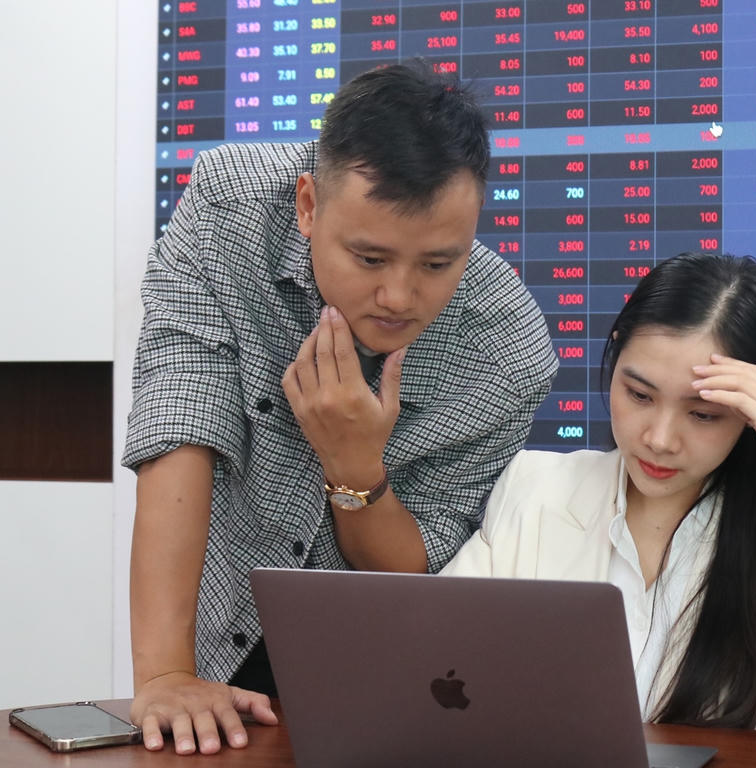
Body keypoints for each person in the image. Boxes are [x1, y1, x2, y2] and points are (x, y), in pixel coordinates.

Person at [123, 60, 556, 755]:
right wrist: (165, 674)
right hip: (213, 638)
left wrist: (354, 466)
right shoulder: (227, 212)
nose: (399, 297)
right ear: (308, 205)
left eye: (438, 264)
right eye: (370, 258)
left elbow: (418, 570)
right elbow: (181, 422)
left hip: (389, 680)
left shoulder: (505, 350)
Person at [443, 252, 756, 747]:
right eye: (639, 395)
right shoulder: (536, 486)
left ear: (755, 415)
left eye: (703, 415)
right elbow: (435, 663)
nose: (659, 439)